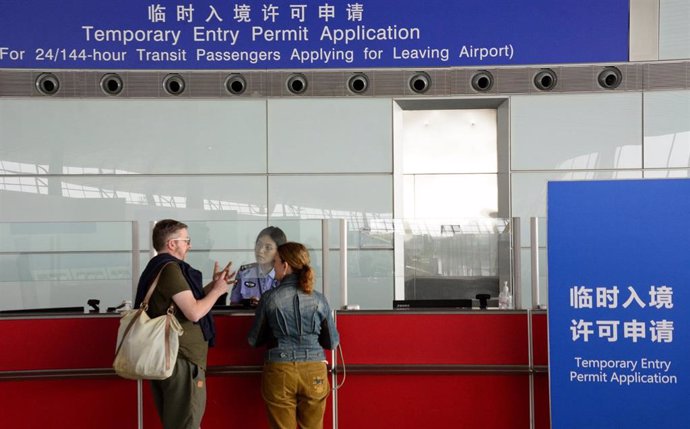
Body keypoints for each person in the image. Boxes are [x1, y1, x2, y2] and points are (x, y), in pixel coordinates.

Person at [134, 219, 236, 429]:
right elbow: (194, 312)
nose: (189, 245)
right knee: (186, 423)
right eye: (186, 240)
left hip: (168, 357)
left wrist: (213, 286)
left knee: (176, 422)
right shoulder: (170, 269)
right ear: (172, 244)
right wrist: (217, 292)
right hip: (182, 359)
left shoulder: (156, 267)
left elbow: (183, 302)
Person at [248, 242, 340, 429]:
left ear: (286, 265)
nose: (273, 267)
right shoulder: (319, 299)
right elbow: (332, 343)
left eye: (275, 262)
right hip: (315, 371)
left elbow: (253, 340)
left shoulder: (269, 298)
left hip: (280, 370)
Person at [230, 226, 287, 306]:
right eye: (259, 244)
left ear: (278, 251)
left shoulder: (284, 274)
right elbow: (233, 304)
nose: (260, 250)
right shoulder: (245, 272)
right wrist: (248, 303)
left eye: (268, 247)